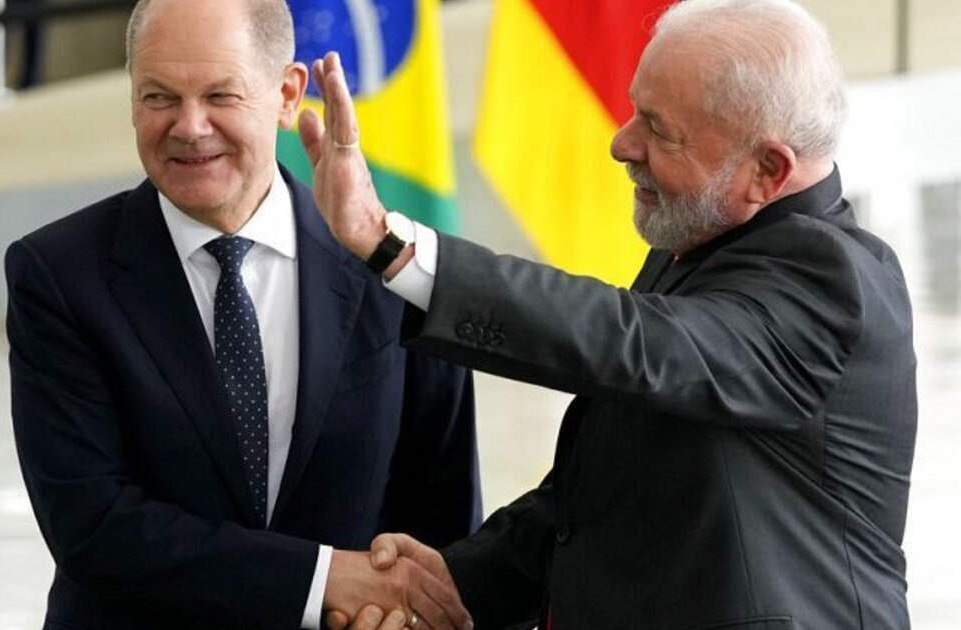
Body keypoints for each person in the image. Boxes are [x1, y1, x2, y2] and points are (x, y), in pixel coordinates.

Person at [299, 0, 918, 628]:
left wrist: (394, 247)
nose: (622, 144)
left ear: (768, 169)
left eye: (659, 130)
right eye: (634, 110)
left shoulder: (831, 275)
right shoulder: (699, 246)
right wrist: (444, 586)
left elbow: (632, 341)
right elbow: (596, 498)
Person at [4, 0, 481, 628]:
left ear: (287, 95)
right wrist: (321, 580)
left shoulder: (393, 269)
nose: (189, 126)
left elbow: (444, 520)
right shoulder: (59, 274)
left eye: (220, 96)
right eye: (159, 97)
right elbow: (92, 526)